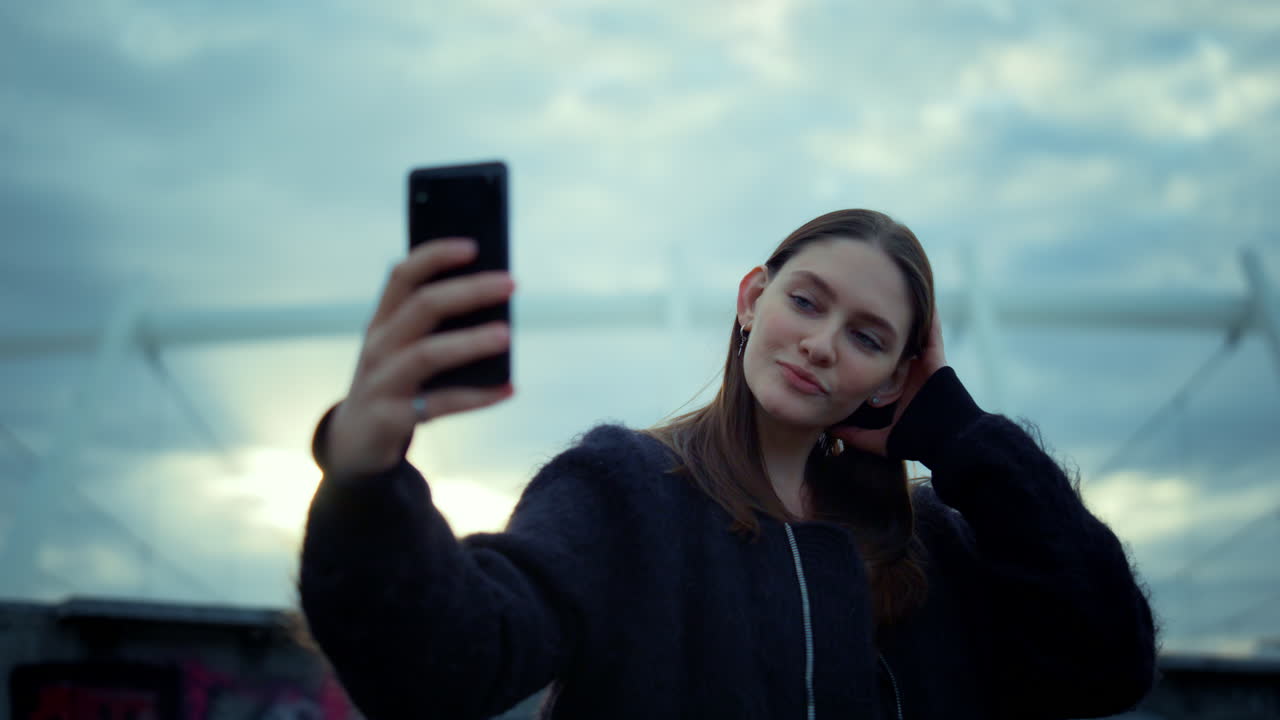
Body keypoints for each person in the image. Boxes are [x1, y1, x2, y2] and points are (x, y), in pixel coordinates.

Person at [299, 209, 1157, 719]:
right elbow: (443, 664)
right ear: (753, 299)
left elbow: (1107, 663)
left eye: (866, 337)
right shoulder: (623, 491)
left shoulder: (933, 544)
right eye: (805, 302)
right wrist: (364, 474)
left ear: (898, 377)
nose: (821, 345)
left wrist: (969, 442)